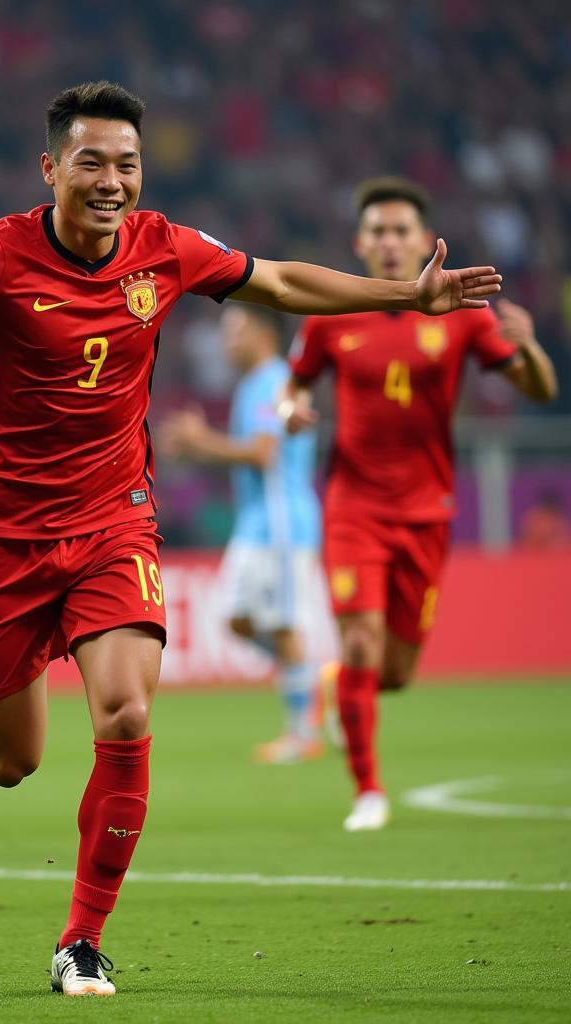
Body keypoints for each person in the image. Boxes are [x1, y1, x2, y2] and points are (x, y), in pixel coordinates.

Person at [0, 82, 503, 996]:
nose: (113, 182)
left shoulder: (167, 248)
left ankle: (81, 940)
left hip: (115, 523)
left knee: (127, 714)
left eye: (127, 165)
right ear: (52, 169)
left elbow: (276, 281)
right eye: (92, 163)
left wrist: (403, 297)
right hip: (2, 539)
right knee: (9, 763)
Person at [282, 177, 558, 832]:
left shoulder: (464, 313)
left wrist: (531, 345)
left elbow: (538, 390)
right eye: (376, 231)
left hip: (428, 511)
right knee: (363, 639)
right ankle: (368, 791)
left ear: (423, 240)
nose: (388, 241)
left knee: (396, 671)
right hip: (352, 505)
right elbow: (292, 390)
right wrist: (293, 412)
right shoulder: (331, 312)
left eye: (400, 230)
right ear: (360, 242)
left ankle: (340, 686)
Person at [160, 304, 328, 764]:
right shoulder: (255, 385)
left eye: (233, 331)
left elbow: (262, 454)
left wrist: (200, 443)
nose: (225, 341)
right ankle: (313, 677)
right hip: (260, 523)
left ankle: (302, 733)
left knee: (283, 622)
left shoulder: (275, 381)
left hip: (281, 521)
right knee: (237, 618)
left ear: (263, 334)